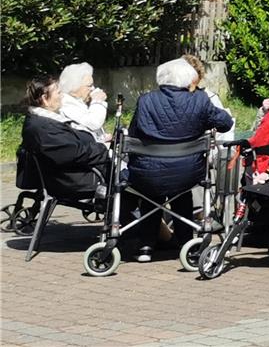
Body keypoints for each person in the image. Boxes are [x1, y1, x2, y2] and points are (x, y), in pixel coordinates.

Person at [127, 57, 234, 262]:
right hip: (187, 171)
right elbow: (226, 124)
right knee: (181, 188)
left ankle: (146, 246)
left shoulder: (145, 100)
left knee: (152, 190)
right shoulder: (201, 100)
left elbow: (134, 133)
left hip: (149, 171)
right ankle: (186, 242)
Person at [21, 75, 110, 206]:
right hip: (76, 179)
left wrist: (100, 141)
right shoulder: (44, 128)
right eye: (58, 92)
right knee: (133, 173)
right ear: (45, 99)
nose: (62, 96)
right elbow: (73, 152)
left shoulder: (44, 121)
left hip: (73, 172)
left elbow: (71, 145)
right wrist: (104, 148)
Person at [57, 62, 109, 141]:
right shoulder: (67, 105)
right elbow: (94, 123)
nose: (93, 89)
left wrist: (103, 137)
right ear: (74, 88)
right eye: (89, 85)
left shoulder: (76, 102)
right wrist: (98, 101)